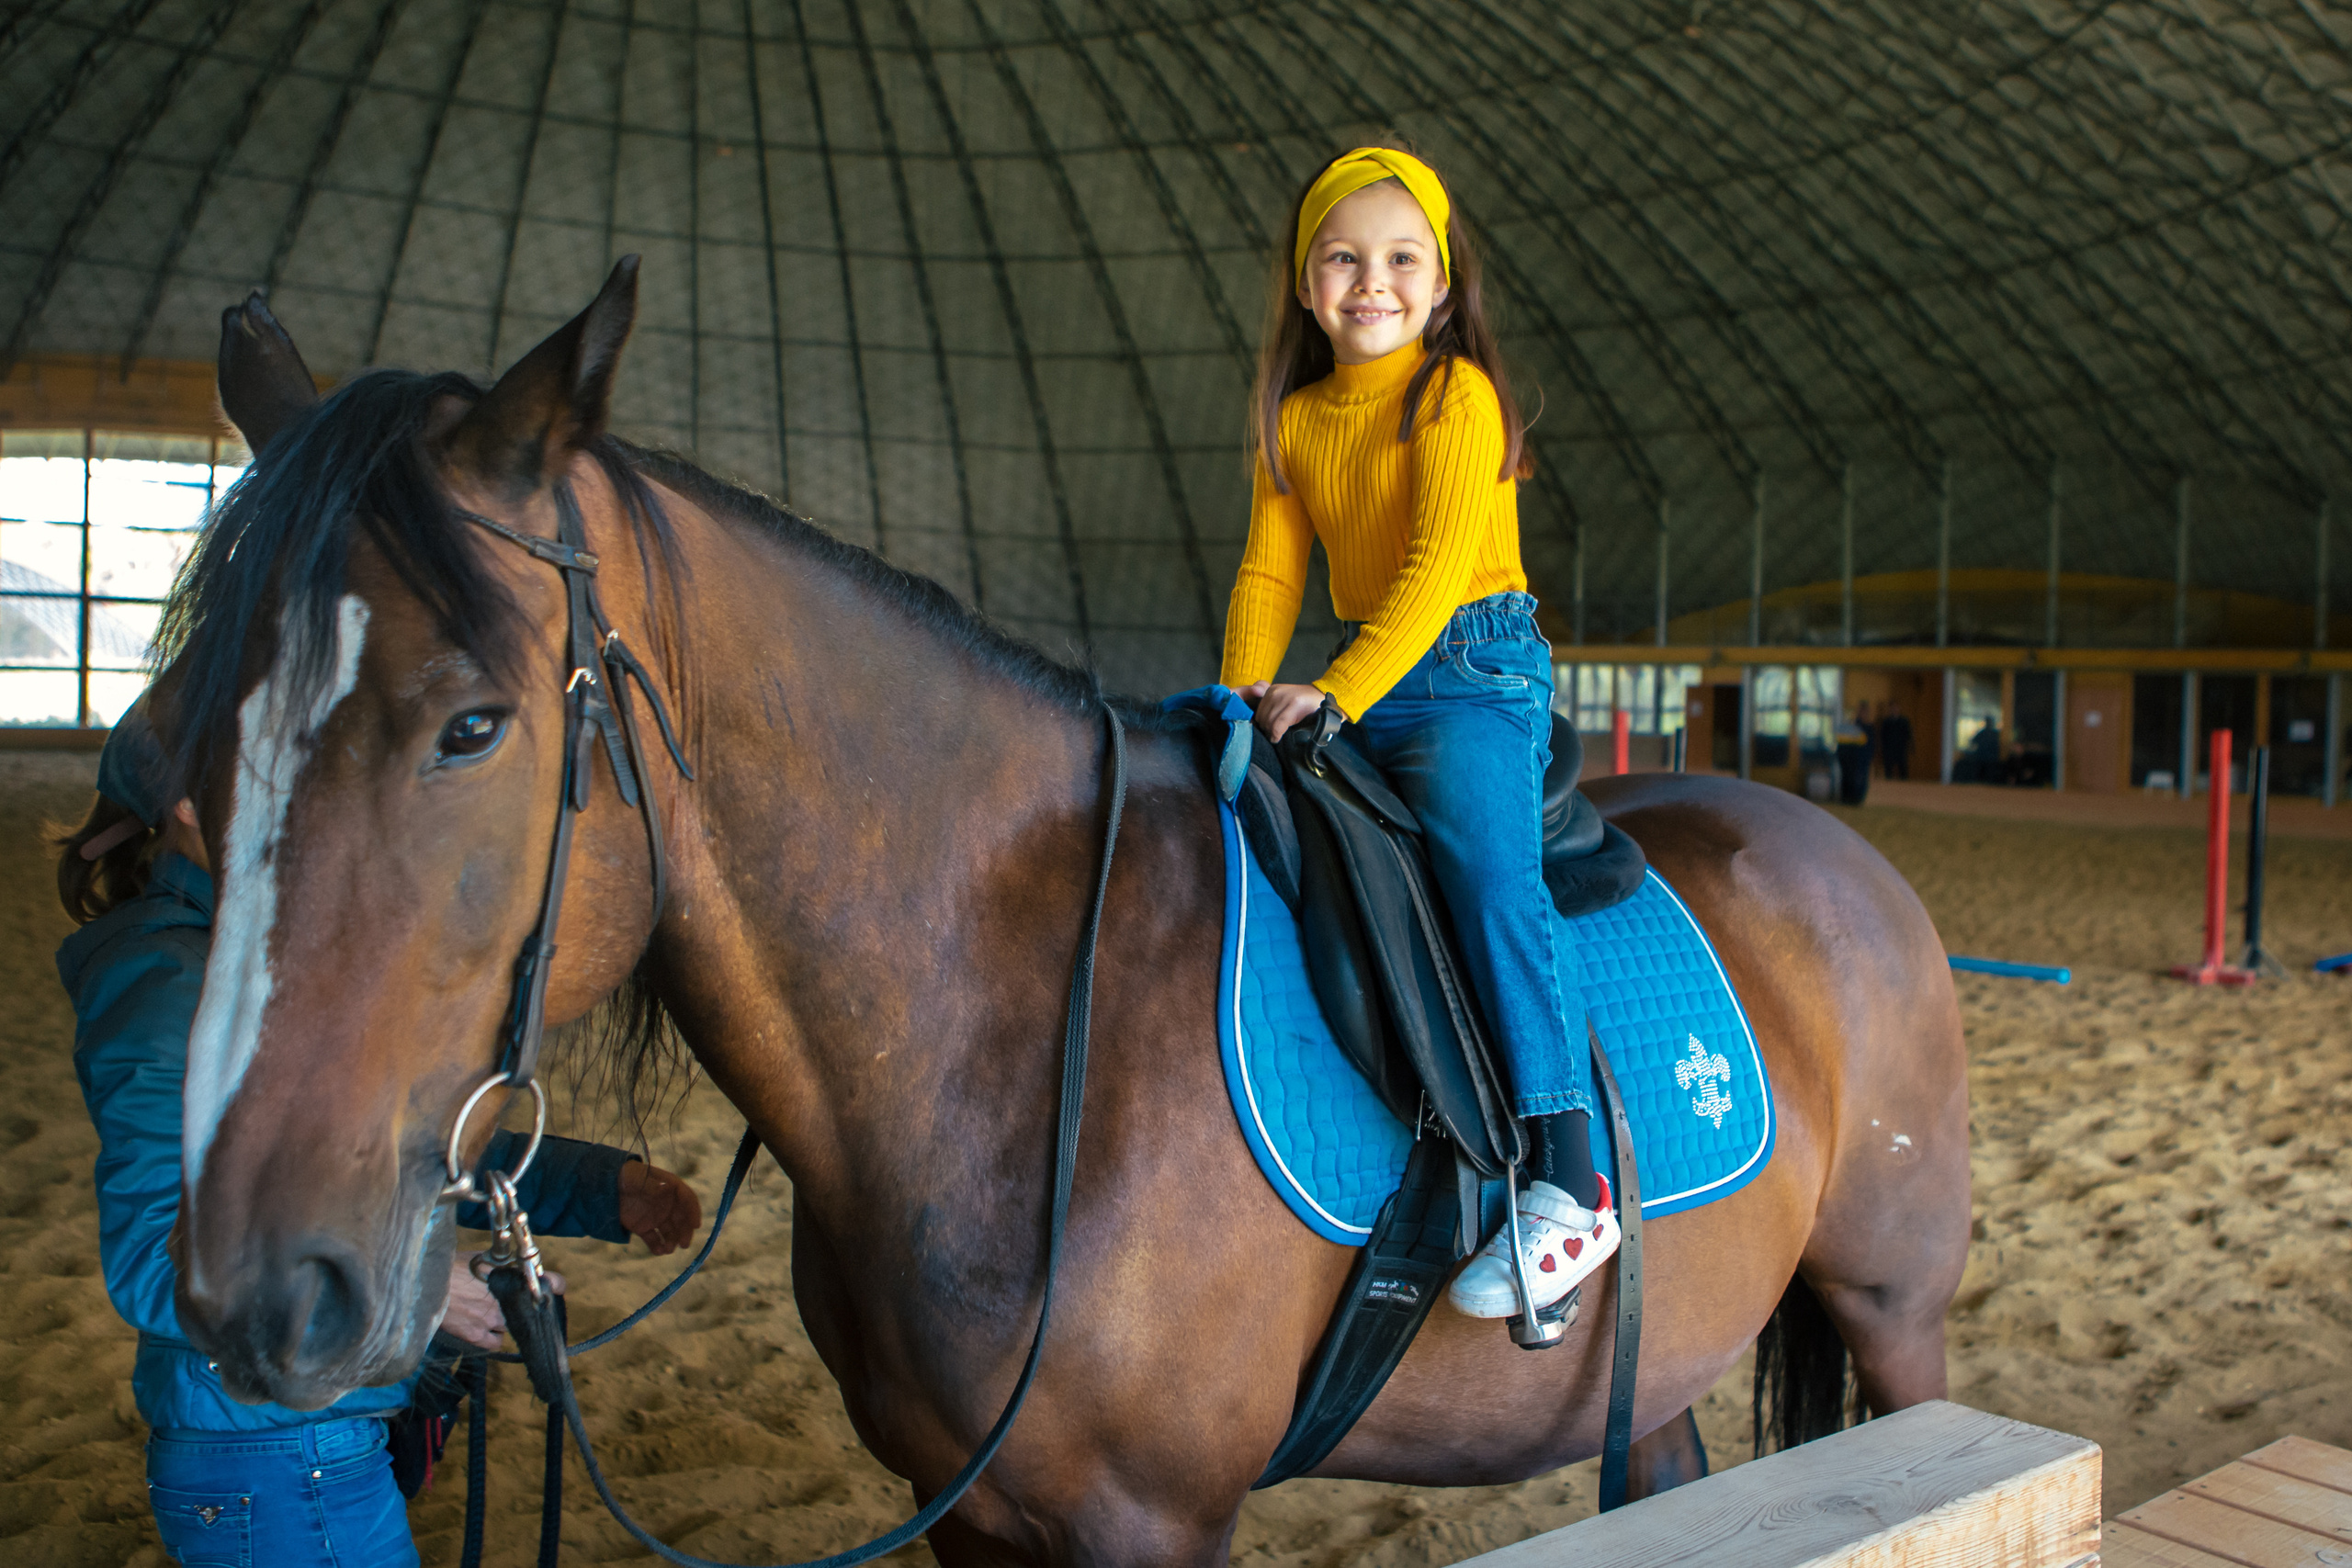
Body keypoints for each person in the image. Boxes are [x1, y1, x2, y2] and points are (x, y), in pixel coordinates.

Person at [56, 702, 705, 1568]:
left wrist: (597, 1187)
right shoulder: (168, 993)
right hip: (275, 1451)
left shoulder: (260, 966)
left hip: (312, 1439)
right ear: (187, 802)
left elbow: (385, 1148)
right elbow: (150, 1258)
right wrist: (420, 1290)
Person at [1220, 145, 1620, 1325]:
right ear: (1305, 286)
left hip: (1475, 671)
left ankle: (1565, 1173)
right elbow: (1265, 570)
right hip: (1368, 665)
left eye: (1402, 259)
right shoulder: (1293, 422)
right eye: (1341, 259)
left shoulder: (1454, 396)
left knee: (1487, 878)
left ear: (1440, 286)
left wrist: (1334, 690)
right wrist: (1240, 700)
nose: (1371, 281)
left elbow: (1440, 563)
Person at [1880, 700, 1914, 780]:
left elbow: (1909, 734)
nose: (1894, 709)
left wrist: (1911, 746)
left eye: (1896, 707)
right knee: (1888, 770)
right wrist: (1883, 749)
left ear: (1899, 708)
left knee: (1903, 770)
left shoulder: (1904, 721)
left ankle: (1905, 787)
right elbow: (1883, 736)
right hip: (1889, 750)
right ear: (1890, 709)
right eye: (1892, 708)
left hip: (1901, 749)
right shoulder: (1886, 722)